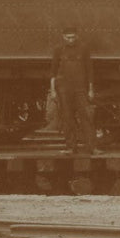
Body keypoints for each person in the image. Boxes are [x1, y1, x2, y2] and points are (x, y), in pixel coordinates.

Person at [50, 26, 94, 155]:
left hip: (81, 88)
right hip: (64, 88)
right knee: (67, 118)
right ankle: (70, 147)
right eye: (68, 37)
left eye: (73, 37)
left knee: (86, 117)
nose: (71, 40)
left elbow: (90, 70)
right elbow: (53, 71)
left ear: (77, 36)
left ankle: (92, 148)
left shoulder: (84, 48)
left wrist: (90, 89)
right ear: (63, 37)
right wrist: (52, 90)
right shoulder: (58, 50)